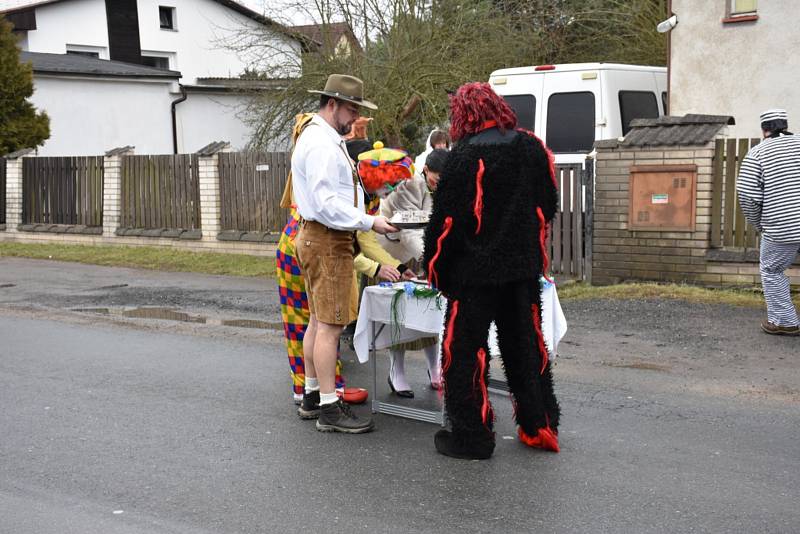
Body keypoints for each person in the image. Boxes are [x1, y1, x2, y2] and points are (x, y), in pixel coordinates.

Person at [422, 82, 560, 459]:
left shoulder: (463, 156)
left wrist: (435, 268)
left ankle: (472, 436)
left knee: (464, 352)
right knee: (526, 347)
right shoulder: (531, 147)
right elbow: (548, 202)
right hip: (521, 269)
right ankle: (540, 425)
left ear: (463, 114)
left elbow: (446, 223)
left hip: (474, 276)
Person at [292, 74, 398, 433]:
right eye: (352, 108)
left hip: (316, 237)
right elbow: (325, 203)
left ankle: (310, 397)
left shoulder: (322, 136)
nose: (355, 117)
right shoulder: (322, 143)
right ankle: (329, 410)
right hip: (327, 239)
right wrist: (369, 221)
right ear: (332, 104)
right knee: (331, 328)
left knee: (319, 322)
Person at [276, 123, 403, 407]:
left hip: (310, 245)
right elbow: (344, 242)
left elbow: (364, 239)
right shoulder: (345, 193)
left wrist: (398, 266)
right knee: (320, 325)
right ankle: (323, 395)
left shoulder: (363, 195)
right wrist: (376, 269)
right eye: (385, 182)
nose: (387, 189)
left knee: (317, 324)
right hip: (304, 247)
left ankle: (315, 391)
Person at [376, 148, 451, 396]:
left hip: (418, 252)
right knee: (397, 313)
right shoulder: (409, 185)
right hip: (389, 253)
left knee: (428, 308)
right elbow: (408, 231)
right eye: (435, 179)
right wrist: (432, 258)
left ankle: (434, 367)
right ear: (426, 170)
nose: (438, 184)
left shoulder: (439, 187)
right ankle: (396, 371)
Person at [737, 109, 800, 336]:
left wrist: (760, 223)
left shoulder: (757, 154)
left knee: (772, 270)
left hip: (782, 227)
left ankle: (785, 321)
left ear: (764, 129)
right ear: (785, 124)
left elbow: (747, 194)